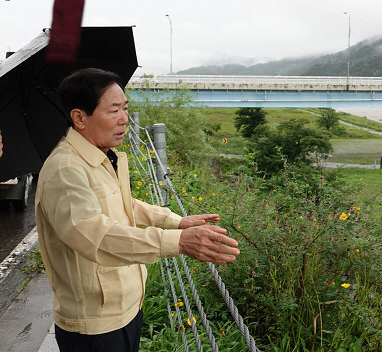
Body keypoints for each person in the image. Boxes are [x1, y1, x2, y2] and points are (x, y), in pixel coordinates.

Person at [35, 68, 240, 352]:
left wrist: (176, 222)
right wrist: (178, 242)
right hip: (96, 324)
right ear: (79, 117)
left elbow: (124, 203)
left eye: (126, 108)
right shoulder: (66, 170)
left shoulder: (105, 156)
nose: (124, 119)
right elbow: (97, 236)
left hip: (128, 307)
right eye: (114, 110)